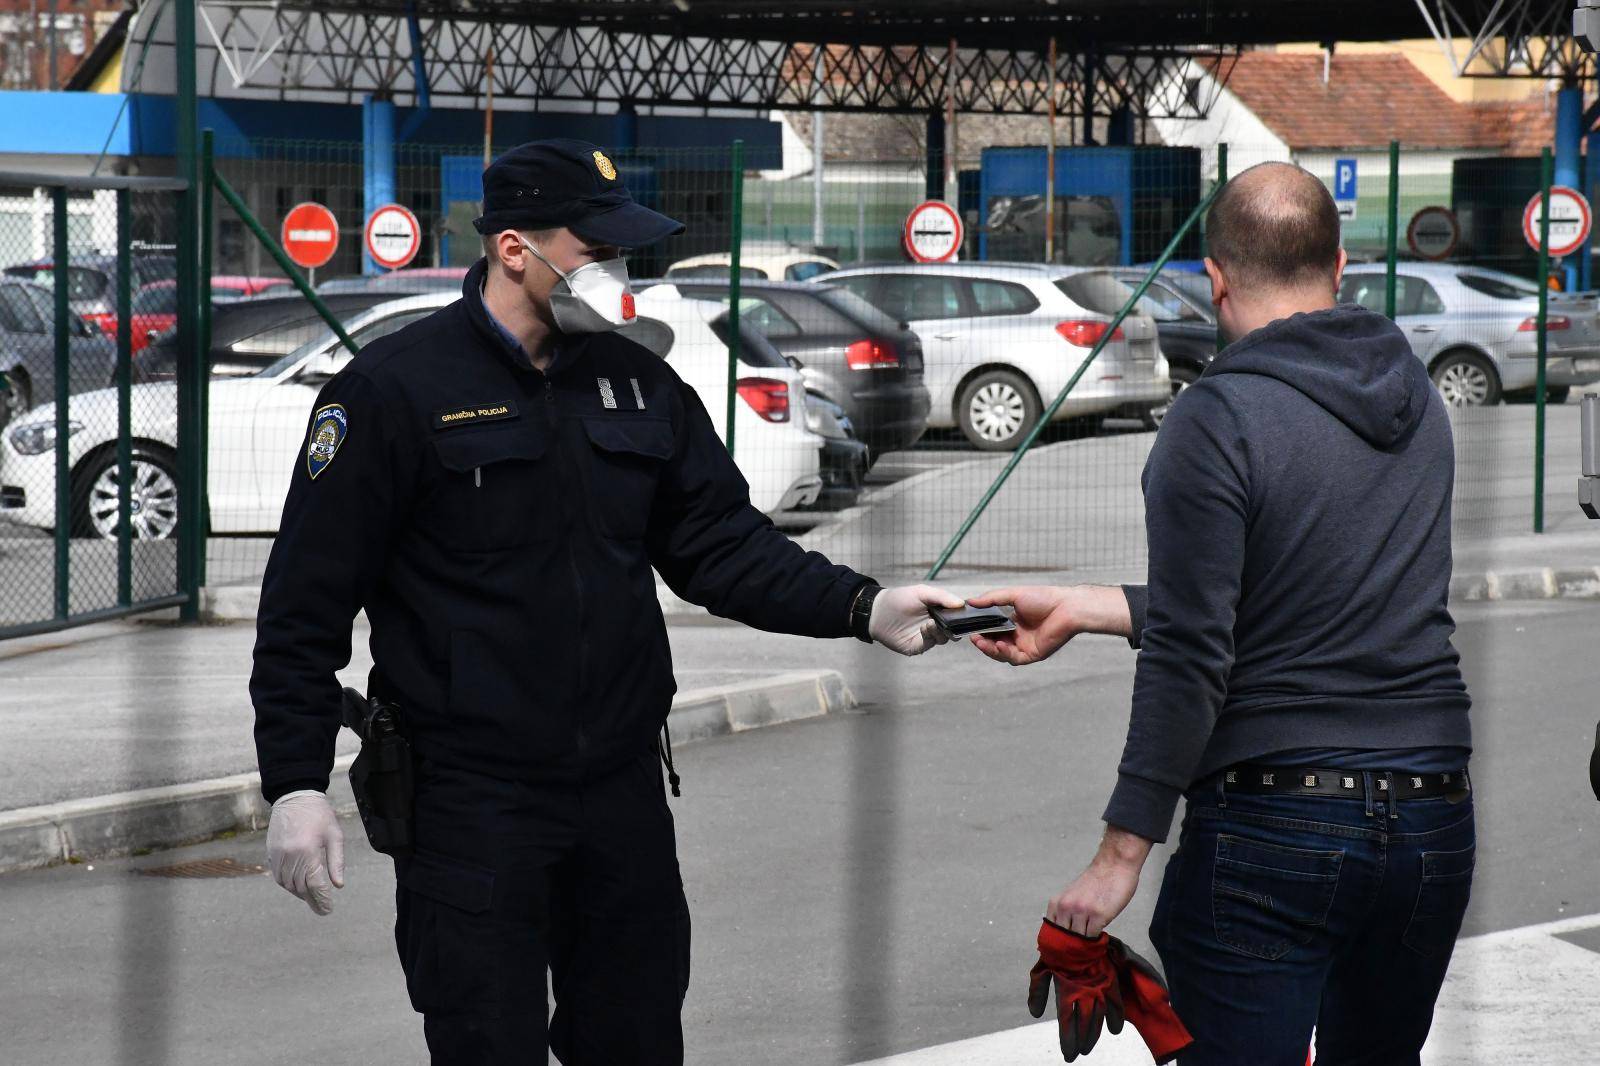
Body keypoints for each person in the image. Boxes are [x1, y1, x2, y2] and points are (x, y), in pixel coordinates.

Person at [250, 137, 964, 1066]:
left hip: (620, 794)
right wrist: (295, 784)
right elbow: (302, 609)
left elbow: (722, 548)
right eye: (596, 249)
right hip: (472, 803)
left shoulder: (638, 384)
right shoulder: (394, 392)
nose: (619, 271)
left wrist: (866, 606)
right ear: (515, 248)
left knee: (634, 1040)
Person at [969, 162, 1474, 1064]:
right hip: (1433, 819)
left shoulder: (1218, 416)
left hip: (1279, 830)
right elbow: (1303, 598)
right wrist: (1091, 607)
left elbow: (1197, 653)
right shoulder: (1419, 402)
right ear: (1342, 264)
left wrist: (1120, 856)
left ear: (1217, 277)